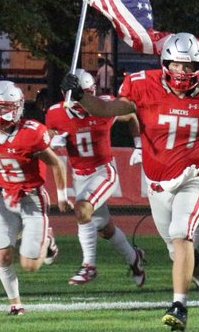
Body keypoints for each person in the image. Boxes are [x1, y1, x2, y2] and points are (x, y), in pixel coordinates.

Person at [65, 32, 199, 331]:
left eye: (189, 66)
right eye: (176, 65)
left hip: (193, 177)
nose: (182, 72)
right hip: (157, 183)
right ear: (165, 63)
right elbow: (106, 110)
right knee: (176, 250)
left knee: (181, 234)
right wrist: (80, 96)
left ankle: (178, 306)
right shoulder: (144, 86)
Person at [0, 80, 69, 316]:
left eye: (1, 107)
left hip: (32, 200)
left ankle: (48, 241)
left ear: (16, 108)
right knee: (2, 254)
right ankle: (16, 304)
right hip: (6, 200)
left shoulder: (30, 134)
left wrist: (62, 196)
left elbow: (57, 164)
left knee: (29, 265)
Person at [46, 69, 147, 288]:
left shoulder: (104, 107)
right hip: (80, 176)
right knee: (105, 229)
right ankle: (135, 259)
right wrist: (52, 139)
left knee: (82, 210)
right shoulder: (56, 113)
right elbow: (48, 136)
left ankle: (89, 266)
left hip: (103, 172)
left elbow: (132, 114)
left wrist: (139, 145)